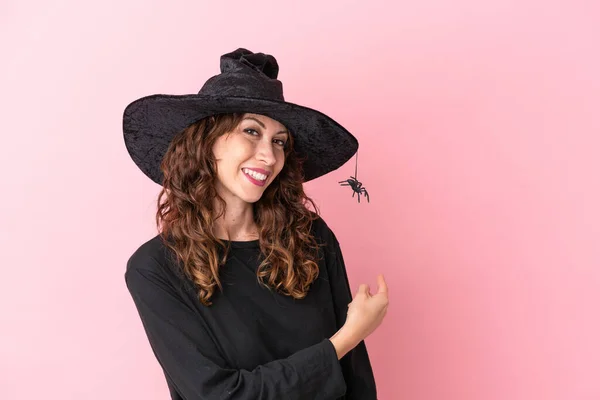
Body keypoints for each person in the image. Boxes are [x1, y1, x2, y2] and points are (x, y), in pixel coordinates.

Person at [123, 48, 389, 400]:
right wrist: (346, 339)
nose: (270, 155)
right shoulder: (154, 269)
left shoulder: (310, 238)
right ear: (206, 141)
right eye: (252, 131)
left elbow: (356, 381)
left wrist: (347, 346)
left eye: (279, 141)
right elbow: (221, 395)